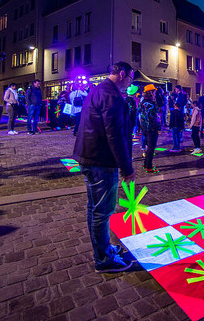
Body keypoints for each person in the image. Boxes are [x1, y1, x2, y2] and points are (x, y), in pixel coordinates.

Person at [73, 61, 135, 273]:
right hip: (101, 159)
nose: (130, 84)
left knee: (94, 208)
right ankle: (103, 259)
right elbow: (115, 135)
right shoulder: (112, 95)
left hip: (89, 156)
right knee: (103, 211)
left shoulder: (99, 89)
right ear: (123, 74)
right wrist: (127, 168)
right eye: (130, 79)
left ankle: (104, 249)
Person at [139, 84, 161, 172]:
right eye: (154, 91)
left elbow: (139, 111)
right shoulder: (152, 103)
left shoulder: (142, 102)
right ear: (151, 92)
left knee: (149, 147)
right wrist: (159, 127)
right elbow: (154, 117)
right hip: (152, 128)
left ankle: (145, 163)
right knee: (151, 148)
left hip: (144, 127)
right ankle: (149, 167)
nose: (155, 93)